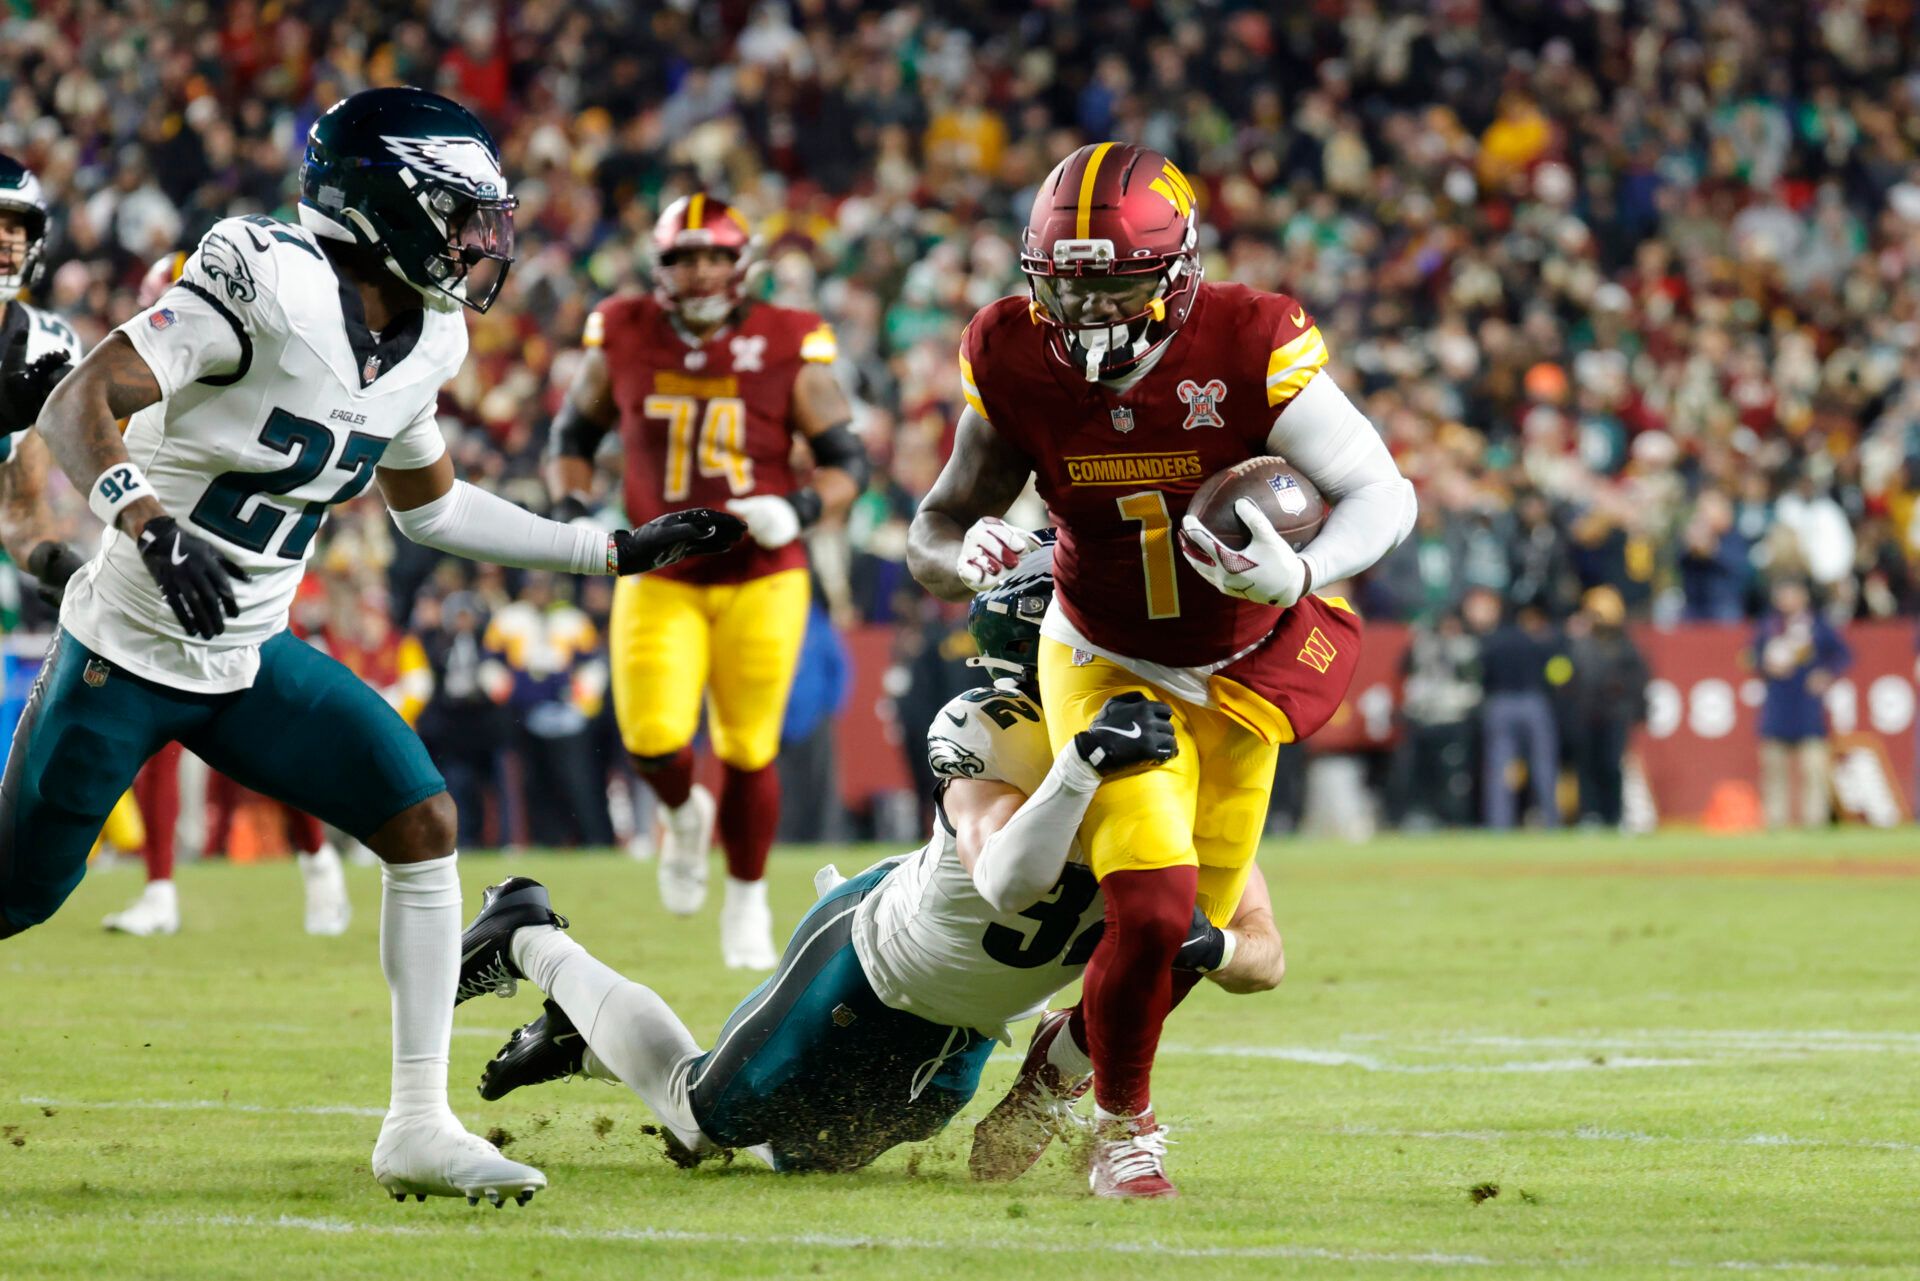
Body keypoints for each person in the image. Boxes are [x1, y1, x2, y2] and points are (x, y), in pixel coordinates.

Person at [11, 87, 744, 1206]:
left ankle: (417, 1123)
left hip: (248, 658)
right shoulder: (268, 277)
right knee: (15, 893)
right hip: (127, 648)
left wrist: (609, 554)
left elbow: (433, 508)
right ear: (385, 205)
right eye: (458, 215)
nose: (475, 244)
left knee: (422, 819)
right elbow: (78, 403)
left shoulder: (427, 332)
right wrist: (146, 524)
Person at [906, 142, 1413, 1196]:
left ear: (1177, 272)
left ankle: (1062, 1063)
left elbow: (1384, 492)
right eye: (1067, 283)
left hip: (1251, 655)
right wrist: (962, 556)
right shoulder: (1008, 353)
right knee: (1151, 905)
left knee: (1191, 937)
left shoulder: (1249, 337)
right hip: (1107, 653)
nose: (1087, 312)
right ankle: (1123, 1127)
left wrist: (1306, 570)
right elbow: (940, 519)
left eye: (1117, 282)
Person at [454, 544, 1284, 1175]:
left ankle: (584, 1040)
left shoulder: (1174, 758)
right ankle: (529, 932)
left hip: (964, 1023)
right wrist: (1079, 767)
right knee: (701, 1123)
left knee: (805, 1162)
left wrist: (1207, 946)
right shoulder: (995, 726)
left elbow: (1264, 950)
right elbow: (1006, 879)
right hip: (872, 959)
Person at [546, 192, 869, 970]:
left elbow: (846, 465)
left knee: (749, 746)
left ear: (740, 264)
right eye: (683, 257)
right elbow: (573, 434)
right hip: (659, 568)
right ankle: (682, 815)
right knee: (651, 737)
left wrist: (797, 505)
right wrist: (570, 506)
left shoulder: (786, 338)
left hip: (762, 571)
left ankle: (748, 897)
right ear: (660, 267)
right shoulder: (622, 329)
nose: (698, 272)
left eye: (713, 256)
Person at [100, 251, 352, 938]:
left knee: (266, 743)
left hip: (242, 586)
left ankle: (317, 858)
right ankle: (159, 888)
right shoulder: (147, 376)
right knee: (154, 744)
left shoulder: (250, 372)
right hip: (160, 582)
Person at [1748, 577, 1851, 829]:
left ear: (1804, 597)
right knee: (1774, 772)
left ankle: (1814, 822)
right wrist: (1764, 665)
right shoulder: (1769, 626)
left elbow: (1844, 654)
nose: (1787, 600)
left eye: (1792, 593)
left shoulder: (1816, 626)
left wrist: (1826, 673)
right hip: (1777, 707)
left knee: (1814, 770)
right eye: (1783, 594)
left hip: (1808, 709)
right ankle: (1774, 822)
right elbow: (1751, 657)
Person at [1473, 591, 1567, 829]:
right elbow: (1556, 672)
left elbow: (1481, 674)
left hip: (1500, 703)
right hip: (1533, 702)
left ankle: (1499, 824)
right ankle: (1550, 821)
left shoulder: (1491, 641)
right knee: (1543, 765)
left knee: (1499, 768)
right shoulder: (1535, 640)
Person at [1564, 586, 1649, 828]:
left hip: (1614, 715)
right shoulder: (1580, 645)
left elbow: (1637, 682)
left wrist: (1634, 710)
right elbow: (1566, 678)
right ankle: (1590, 814)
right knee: (1587, 767)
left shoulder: (1625, 647)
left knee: (1612, 766)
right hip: (1586, 714)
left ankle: (1613, 814)